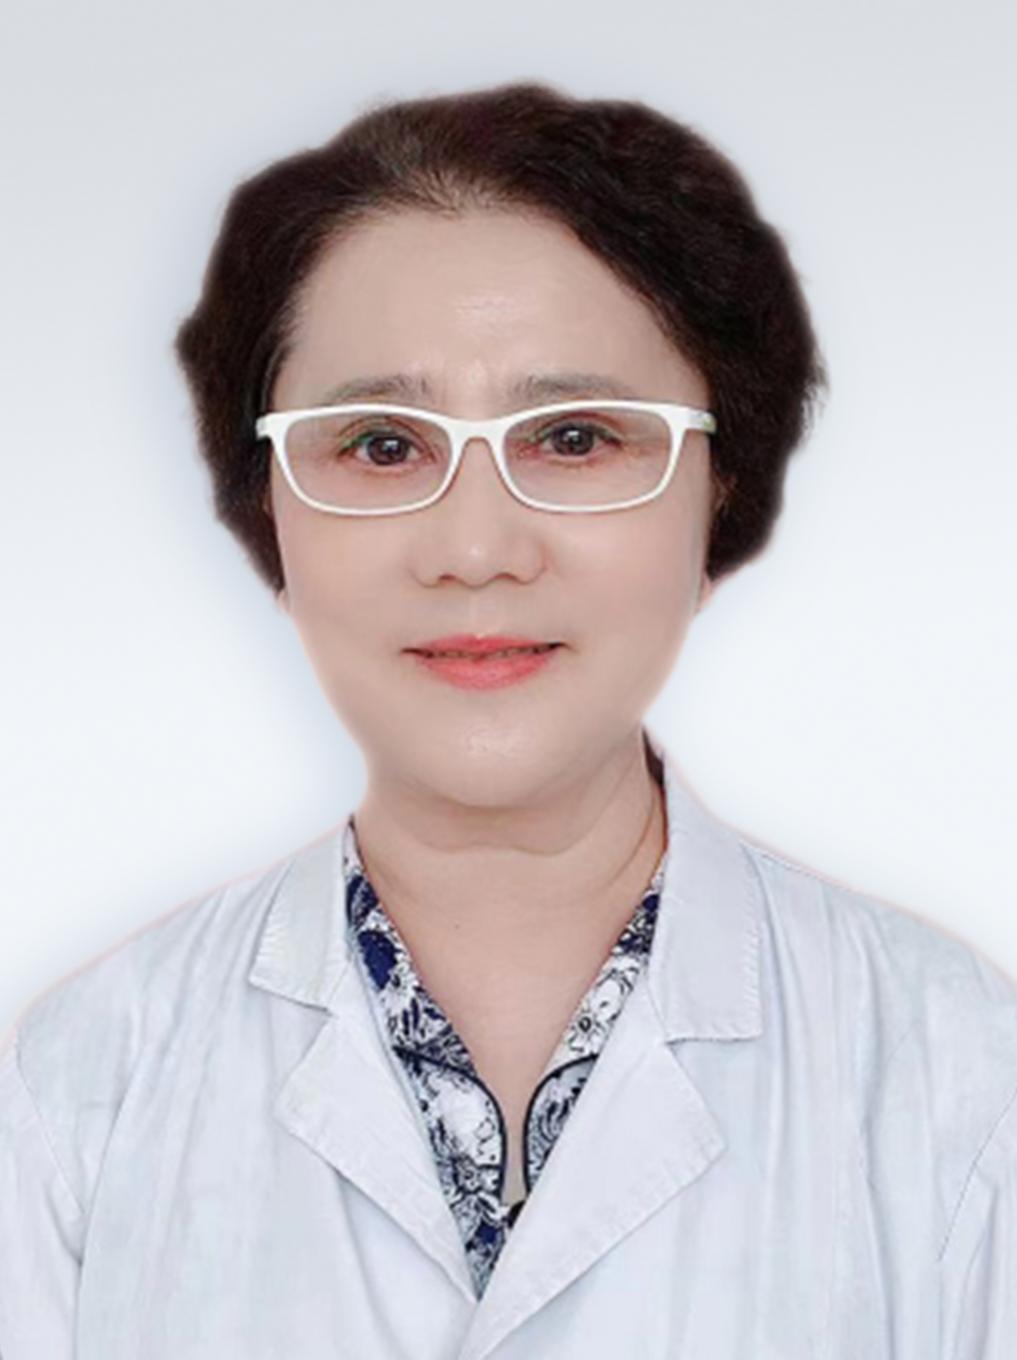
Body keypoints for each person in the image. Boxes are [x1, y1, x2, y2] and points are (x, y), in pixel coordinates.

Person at [1, 81, 1014, 1359]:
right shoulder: (86, 1081)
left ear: (718, 494)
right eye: (381, 446)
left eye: (575, 437)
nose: (476, 548)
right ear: (271, 513)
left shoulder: (954, 1071)